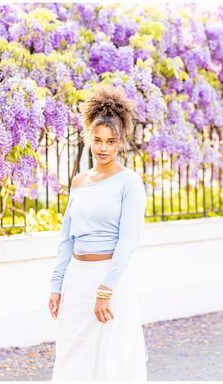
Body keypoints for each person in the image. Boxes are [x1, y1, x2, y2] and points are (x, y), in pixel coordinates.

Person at [49, 86, 148, 380]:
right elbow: (67, 239)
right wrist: (56, 285)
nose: (103, 148)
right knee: (73, 356)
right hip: (77, 278)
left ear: (120, 142)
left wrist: (105, 290)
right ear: (89, 138)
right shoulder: (79, 182)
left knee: (110, 359)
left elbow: (128, 241)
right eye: (97, 140)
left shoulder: (129, 183)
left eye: (110, 141)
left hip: (110, 278)